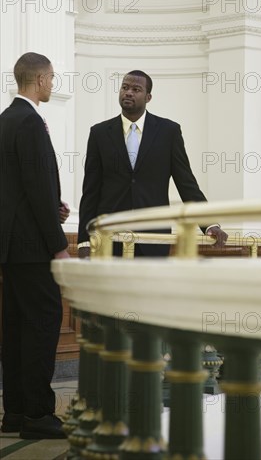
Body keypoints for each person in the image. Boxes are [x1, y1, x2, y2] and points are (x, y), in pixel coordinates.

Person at [78, 70, 227, 257]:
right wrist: (84, 240)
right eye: (124, 87)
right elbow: (90, 191)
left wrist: (210, 224)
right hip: (109, 238)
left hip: (154, 237)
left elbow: (186, 183)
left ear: (148, 97)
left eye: (136, 89)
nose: (128, 92)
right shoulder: (99, 133)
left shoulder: (169, 132)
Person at [0, 52, 70, 439]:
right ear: (41, 80)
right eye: (52, 78)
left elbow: (16, 186)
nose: (52, 83)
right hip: (32, 248)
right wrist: (59, 245)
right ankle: (39, 416)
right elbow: (37, 184)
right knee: (43, 326)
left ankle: (14, 414)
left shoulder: (4, 121)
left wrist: (49, 205)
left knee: (15, 330)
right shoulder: (30, 122)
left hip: (11, 247)